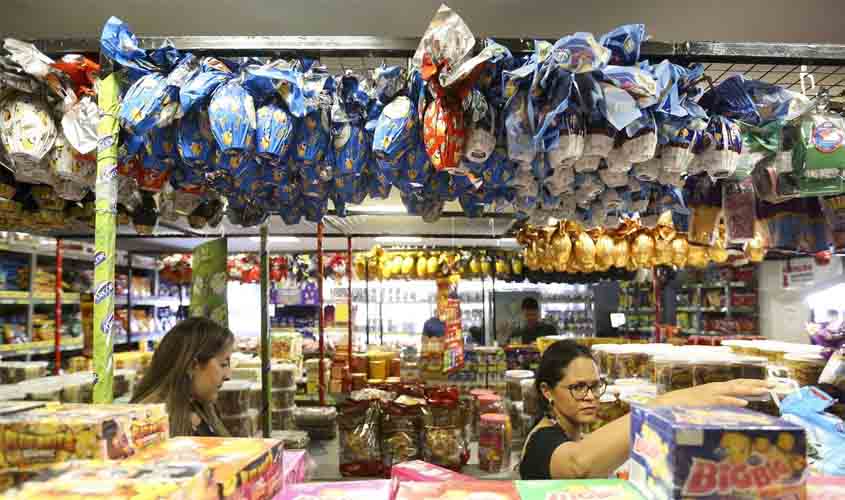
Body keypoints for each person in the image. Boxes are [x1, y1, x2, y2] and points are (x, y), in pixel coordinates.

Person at [519, 340, 772, 480]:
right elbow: (578, 465)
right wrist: (664, 404)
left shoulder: (572, 434)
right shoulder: (542, 442)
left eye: (595, 387)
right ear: (547, 391)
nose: (590, 397)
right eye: (578, 388)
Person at [131, 317, 234, 437]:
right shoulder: (149, 425)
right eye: (223, 364)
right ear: (192, 365)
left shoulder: (202, 408)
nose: (228, 375)